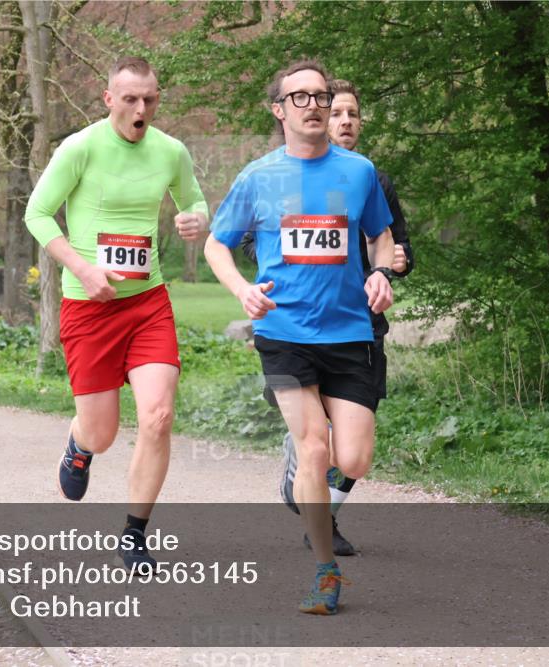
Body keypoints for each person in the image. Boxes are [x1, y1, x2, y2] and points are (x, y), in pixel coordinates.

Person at [205, 60, 396, 615]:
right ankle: (325, 571)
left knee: (354, 459)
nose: (314, 105)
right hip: (284, 332)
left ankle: (308, 473)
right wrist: (242, 289)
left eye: (321, 95)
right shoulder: (258, 177)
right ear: (279, 110)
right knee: (316, 446)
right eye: (301, 97)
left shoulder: (358, 171)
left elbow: (380, 236)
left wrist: (380, 271)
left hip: (349, 333)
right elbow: (218, 244)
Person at [23, 56, 208, 574]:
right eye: (130, 98)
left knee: (158, 416)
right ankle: (80, 444)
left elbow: (195, 200)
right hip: (89, 307)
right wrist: (83, 270)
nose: (141, 108)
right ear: (108, 99)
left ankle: (134, 534)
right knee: (102, 433)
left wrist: (196, 219)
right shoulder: (80, 148)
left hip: (147, 302)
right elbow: (36, 213)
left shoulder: (170, 151)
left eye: (149, 98)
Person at [242, 79, 415, 556]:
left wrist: (390, 266)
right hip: (294, 326)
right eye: (334, 111)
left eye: (351, 114)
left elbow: (397, 244)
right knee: (316, 442)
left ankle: (317, 493)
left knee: (354, 454)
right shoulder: (277, 175)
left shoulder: (370, 178)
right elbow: (254, 241)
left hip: (359, 325)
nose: (342, 121)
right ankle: (322, 530)